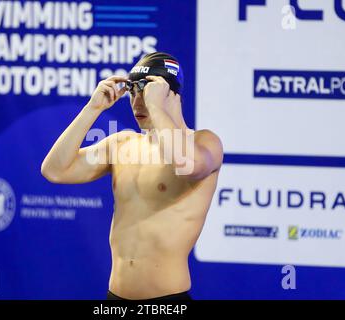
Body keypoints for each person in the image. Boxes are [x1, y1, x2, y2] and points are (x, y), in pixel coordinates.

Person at [41, 52, 223, 300]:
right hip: (115, 299)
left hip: (168, 301)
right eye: (133, 92)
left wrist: (157, 106)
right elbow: (54, 170)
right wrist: (92, 109)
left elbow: (185, 164)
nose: (138, 103)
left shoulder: (204, 142)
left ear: (173, 94)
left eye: (146, 92)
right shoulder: (122, 144)